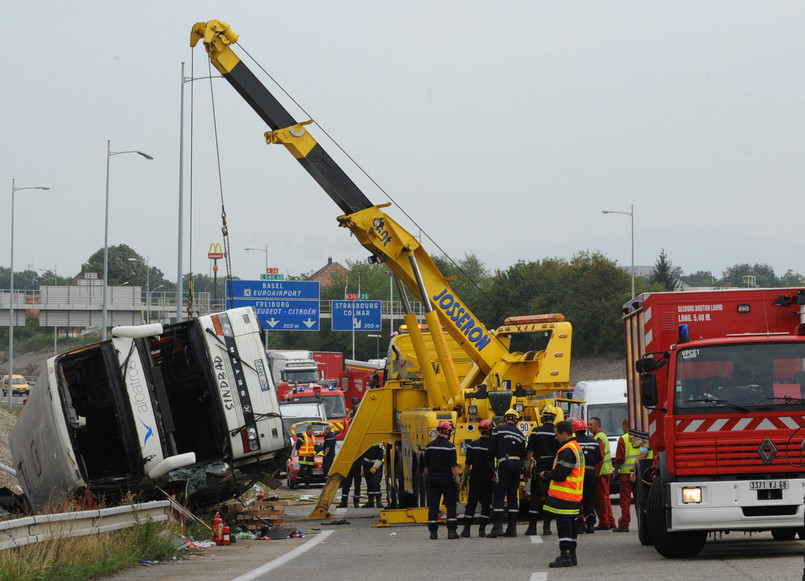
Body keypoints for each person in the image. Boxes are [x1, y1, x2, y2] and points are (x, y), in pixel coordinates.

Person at [539, 420, 584, 568]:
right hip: (573, 495)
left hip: (565, 496)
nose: (555, 438)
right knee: (570, 526)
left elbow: (560, 474)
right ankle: (572, 555)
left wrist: (546, 474)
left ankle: (565, 555)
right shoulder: (576, 447)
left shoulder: (567, 450)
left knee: (564, 526)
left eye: (557, 435)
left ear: (565, 434)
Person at [487, 408, 527, 538]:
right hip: (517, 465)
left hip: (504, 463)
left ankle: (497, 528)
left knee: (499, 494)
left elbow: (491, 450)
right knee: (512, 495)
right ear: (515, 420)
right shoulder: (520, 434)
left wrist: (493, 468)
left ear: (506, 419)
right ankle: (512, 529)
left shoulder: (498, 430)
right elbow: (523, 453)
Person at [524, 404, 559, 536]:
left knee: (535, 499)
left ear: (543, 417)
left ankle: (532, 528)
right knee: (550, 498)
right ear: (554, 418)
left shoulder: (536, 431)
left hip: (539, 468)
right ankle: (547, 527)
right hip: (554, 469)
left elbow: (529, 453)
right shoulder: (558, 432)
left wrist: (526, 471)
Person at [424, 420, 461, 540]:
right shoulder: (450, 447)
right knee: (450, 504)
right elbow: (454, 467)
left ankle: (433, 533)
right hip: (446, 480)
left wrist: (426, 479)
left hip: (433, 479)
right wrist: (457, 482)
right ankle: (451, 531)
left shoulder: (429, 446)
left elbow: (426, 468)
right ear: (448, 431)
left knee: (433, 505)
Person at [460, 418, 495, 538]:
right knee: (486, 503)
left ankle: (466, 530)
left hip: (475, 478)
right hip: (488, 478)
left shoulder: (472, 446)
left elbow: (467, 465)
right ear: (490, 431)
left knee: (471, 503)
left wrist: (463, 480)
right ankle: (482, 530)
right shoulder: (493, 446)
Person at [572, 418, 602, 534]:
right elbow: (599, 458)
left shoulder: (573, 443)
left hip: (577, 473)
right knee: (589, 498)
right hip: (590, 472)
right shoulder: (593, 441)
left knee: (577, 500)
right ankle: (590, 525)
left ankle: (579, 525)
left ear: (574, 430)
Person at [588, 416, 616, 530]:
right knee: (605, 497)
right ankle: (610, 521)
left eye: (591, 424)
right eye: (588, 424)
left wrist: (596, 473)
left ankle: (604, 522)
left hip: (601, 472)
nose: (589, 426)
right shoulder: (602, 436)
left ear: (597, 425)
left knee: (600, 498)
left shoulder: (598, 437)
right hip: (607, 470)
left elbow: (599, 457)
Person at [612, 419, 638, 532]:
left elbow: (619, 459)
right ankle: (643, 522)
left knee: (625, 500)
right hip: (639, 473)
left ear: (625, 425)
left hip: (625, 474)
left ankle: (624, 524)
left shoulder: (624, 439)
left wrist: (615, 471)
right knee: (640, 499)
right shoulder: (641, 438)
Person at [361, 444, 385, 508]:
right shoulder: (365, 442)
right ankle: (370, 501)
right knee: (369, 484)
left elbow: (380, 456)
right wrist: (362, 468)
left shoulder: (378, 443)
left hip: (376, 465)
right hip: (366, 465)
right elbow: (361, 455)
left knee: (376, 483)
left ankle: (378, 501)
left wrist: (375, 467)